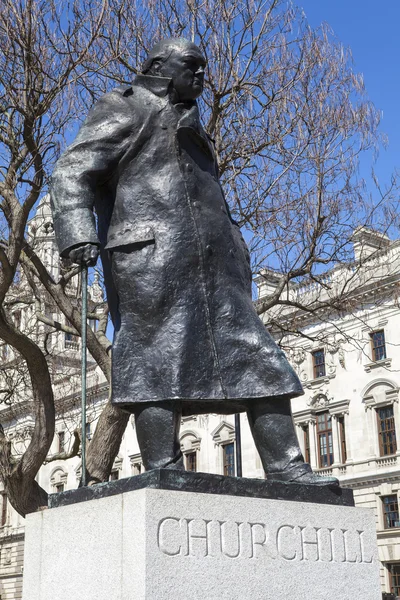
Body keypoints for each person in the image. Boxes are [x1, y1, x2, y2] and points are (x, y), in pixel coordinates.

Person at [50, 38, 337, 486]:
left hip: (216, 268)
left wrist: (238, 252)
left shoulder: (194, 121)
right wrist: (77, 234)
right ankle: (161, 467)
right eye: (192, 65)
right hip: (151, 262)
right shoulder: (124, 107)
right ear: (160, 66)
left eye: (204, 67)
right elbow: (71, 170)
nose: (202, 74)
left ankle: (286, 466)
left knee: (259, 355)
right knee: (154, 359)